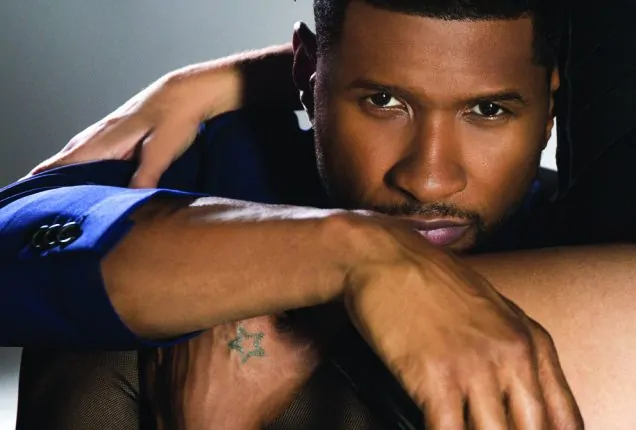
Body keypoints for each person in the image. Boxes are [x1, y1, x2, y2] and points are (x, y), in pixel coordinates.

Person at [10, 0, 636, 428]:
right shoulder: (227, 164)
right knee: (114, 331)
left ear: (551, 111)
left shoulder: (582, 230)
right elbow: (24, 234)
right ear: (308, 77)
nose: (428, 177)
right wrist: (351, 250)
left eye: (489, 112)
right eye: (384, 102)